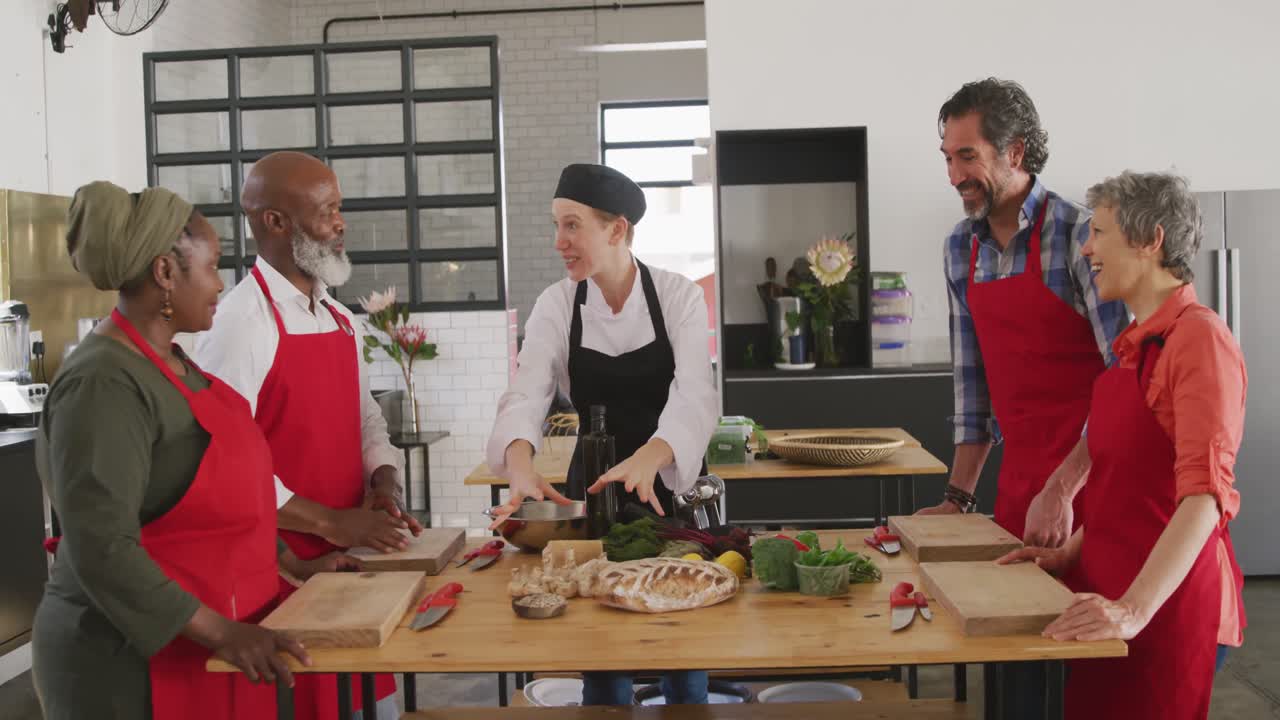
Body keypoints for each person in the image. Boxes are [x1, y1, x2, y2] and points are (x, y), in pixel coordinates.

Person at [32, 181, 357, 720]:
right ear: (165, 273)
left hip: (204, 650)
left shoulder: (180, 368)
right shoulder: (103, 384)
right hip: (130, 667)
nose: (221, 283)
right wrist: (220, 630)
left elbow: (217, 506)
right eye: (212, 266)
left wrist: (295, 565)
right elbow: (99, 546)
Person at [1000, 171, 1246, 720]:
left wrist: (1134, 609)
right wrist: (1070, 553)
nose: (1086, 247)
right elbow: (1128, 487)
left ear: (1149, 239)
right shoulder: (1136, 345)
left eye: (1101, 232)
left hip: (1166, 611)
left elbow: (1203, 499)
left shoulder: (1199, 341)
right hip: (1106, 602)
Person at [920, 77, 1131, 716]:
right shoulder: (963, 247)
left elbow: (1128, 382)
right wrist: (959, 498)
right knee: (1014, 666)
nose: (956, 174)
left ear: (1016, 152)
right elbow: (973, 385)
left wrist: (1065, 487)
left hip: (1102, 483)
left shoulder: (1078, 237)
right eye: (948, 158)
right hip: (1021, 488)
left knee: (1091, 665)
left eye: (968, 156)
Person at [486, 163, 719, 705]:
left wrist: (650, 456)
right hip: (592, 489)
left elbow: (696, 396)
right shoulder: (557, 304)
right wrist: (520, 465)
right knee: (601, 648)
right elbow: (526, 392)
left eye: (572, 226)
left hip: (669, 486)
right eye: (556, 225)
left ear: (617, 229)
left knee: (681, 648)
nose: (558, 242)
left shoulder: (678, 296)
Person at [194, 151, 415, 720]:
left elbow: (364, 416)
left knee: (367, 705)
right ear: (275, 222)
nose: (340, 223)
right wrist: (330, 522)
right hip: (284, 570)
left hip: (347, 564)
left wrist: (382, 482)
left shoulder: (338, 317)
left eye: (339, 208)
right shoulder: (241, 323)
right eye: (327, 211)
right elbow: (221, 461)